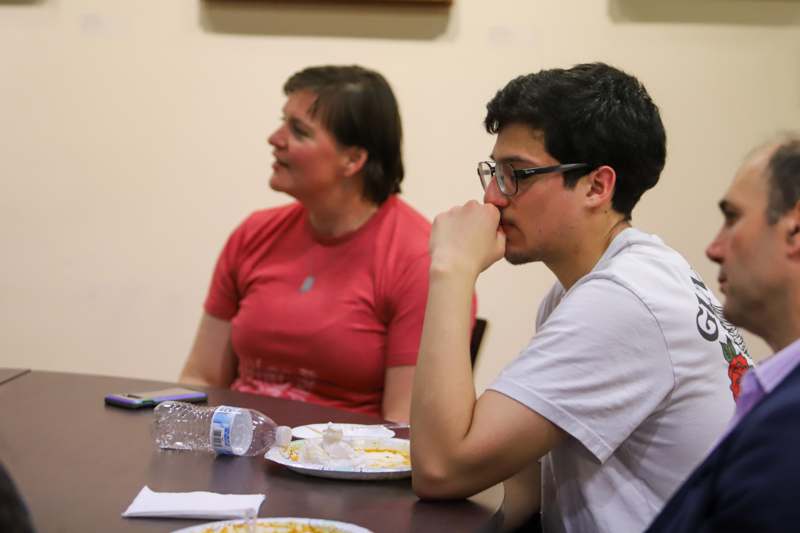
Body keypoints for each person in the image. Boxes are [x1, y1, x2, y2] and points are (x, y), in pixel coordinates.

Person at [410, 62, 751, 532]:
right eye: (494, 172)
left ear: (597, 186)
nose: (493, 196)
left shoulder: (624, 300)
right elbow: (523, 480)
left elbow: (441, 468)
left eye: (516, 174)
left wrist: (452, 270)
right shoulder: (621, 279)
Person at [180, 65, 435, 422]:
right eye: (282, 122)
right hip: (235, 444)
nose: (275, 139)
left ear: (353, 159)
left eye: (298, 131)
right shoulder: (254, 233)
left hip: (341, 453)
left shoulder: (418, 257)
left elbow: (403, 422)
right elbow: (202, 378)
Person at [646, 135, 800, 532]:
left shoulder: (791, 423)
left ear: (795, 230)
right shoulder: (777, 395)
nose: (714, 249)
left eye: (733, 218)